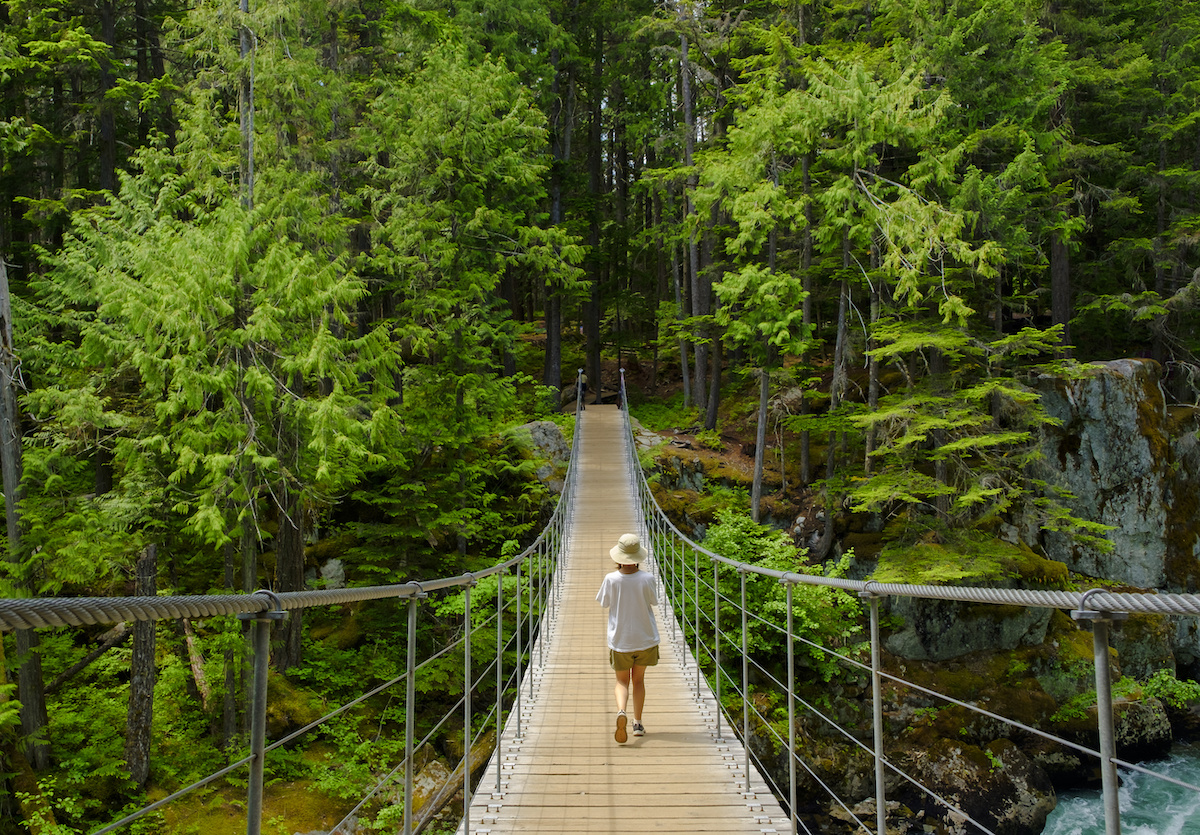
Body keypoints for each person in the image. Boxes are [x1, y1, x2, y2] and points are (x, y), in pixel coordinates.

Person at [595, 533, 660, 743]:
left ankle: (621, 711)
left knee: (621, 681)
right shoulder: (648, 578)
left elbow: (604, 603)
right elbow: (654, 601)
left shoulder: (611, 579)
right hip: (645, 639)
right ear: (638, 557)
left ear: (618, 557)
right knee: (638, 680)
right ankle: (638, 723)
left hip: (620, 640)